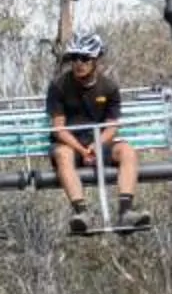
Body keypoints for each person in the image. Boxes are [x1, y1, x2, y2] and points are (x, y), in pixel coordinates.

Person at [49, 29, 141, 233]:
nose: (78, 63)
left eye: (84, 58)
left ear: (96, 60)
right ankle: (81, 213)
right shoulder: (59, 86)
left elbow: (112, 124)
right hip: (70, 144)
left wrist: (97, 145)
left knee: (127, 151)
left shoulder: (109, 87)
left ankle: (125, 211)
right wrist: (82, 150)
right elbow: (58, 128)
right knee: (62, 154)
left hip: (98, 142)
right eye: (74, 58)